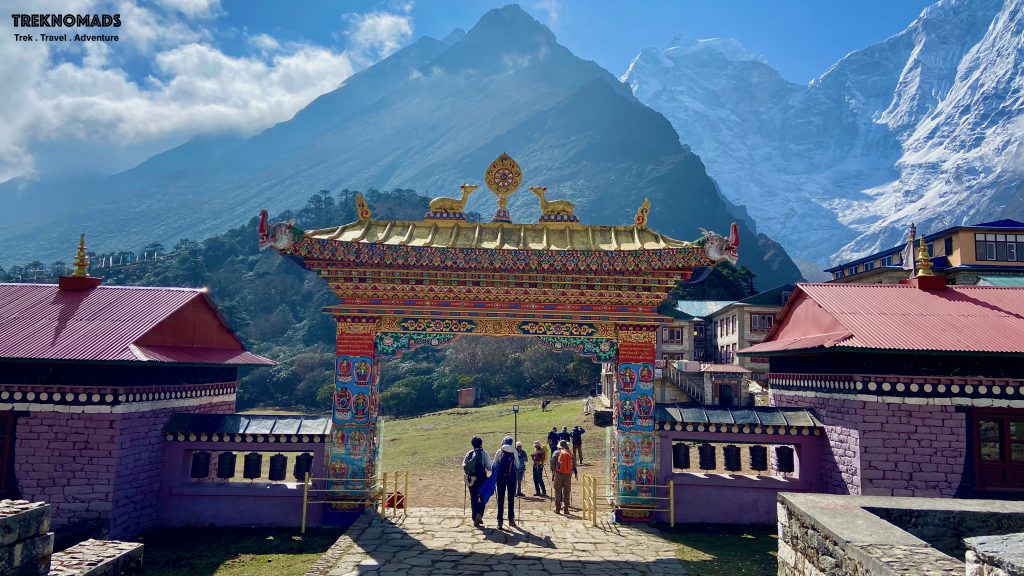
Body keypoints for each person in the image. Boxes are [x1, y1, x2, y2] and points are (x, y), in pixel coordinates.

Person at [492, 436, 520, 529]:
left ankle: (500, 521)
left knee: (501, 499)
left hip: (501, 478)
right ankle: (511, 519)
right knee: (511, 499)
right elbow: (518, 465)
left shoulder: (499, 451)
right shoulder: (514, 451)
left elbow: (494, 465)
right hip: (511, 477)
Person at [463, 436, 491, 527]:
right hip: (482, 478)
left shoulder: (469, 453)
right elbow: (488, 467)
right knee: (483, 496)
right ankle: (479, 514)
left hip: (471, 479)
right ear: (481, 444)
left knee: (473, 497)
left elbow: (464, 465)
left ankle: (474, 516)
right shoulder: (484, 453)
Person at [550, 439, 575, 514]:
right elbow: (574, 464)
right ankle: (566, 509)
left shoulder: (556, 452)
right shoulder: (570, 453)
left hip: (558, 473)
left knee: (557, 490)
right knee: (567, 491)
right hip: (568, 474)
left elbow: (552, 463)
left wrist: (553, 470)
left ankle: (557, 509)